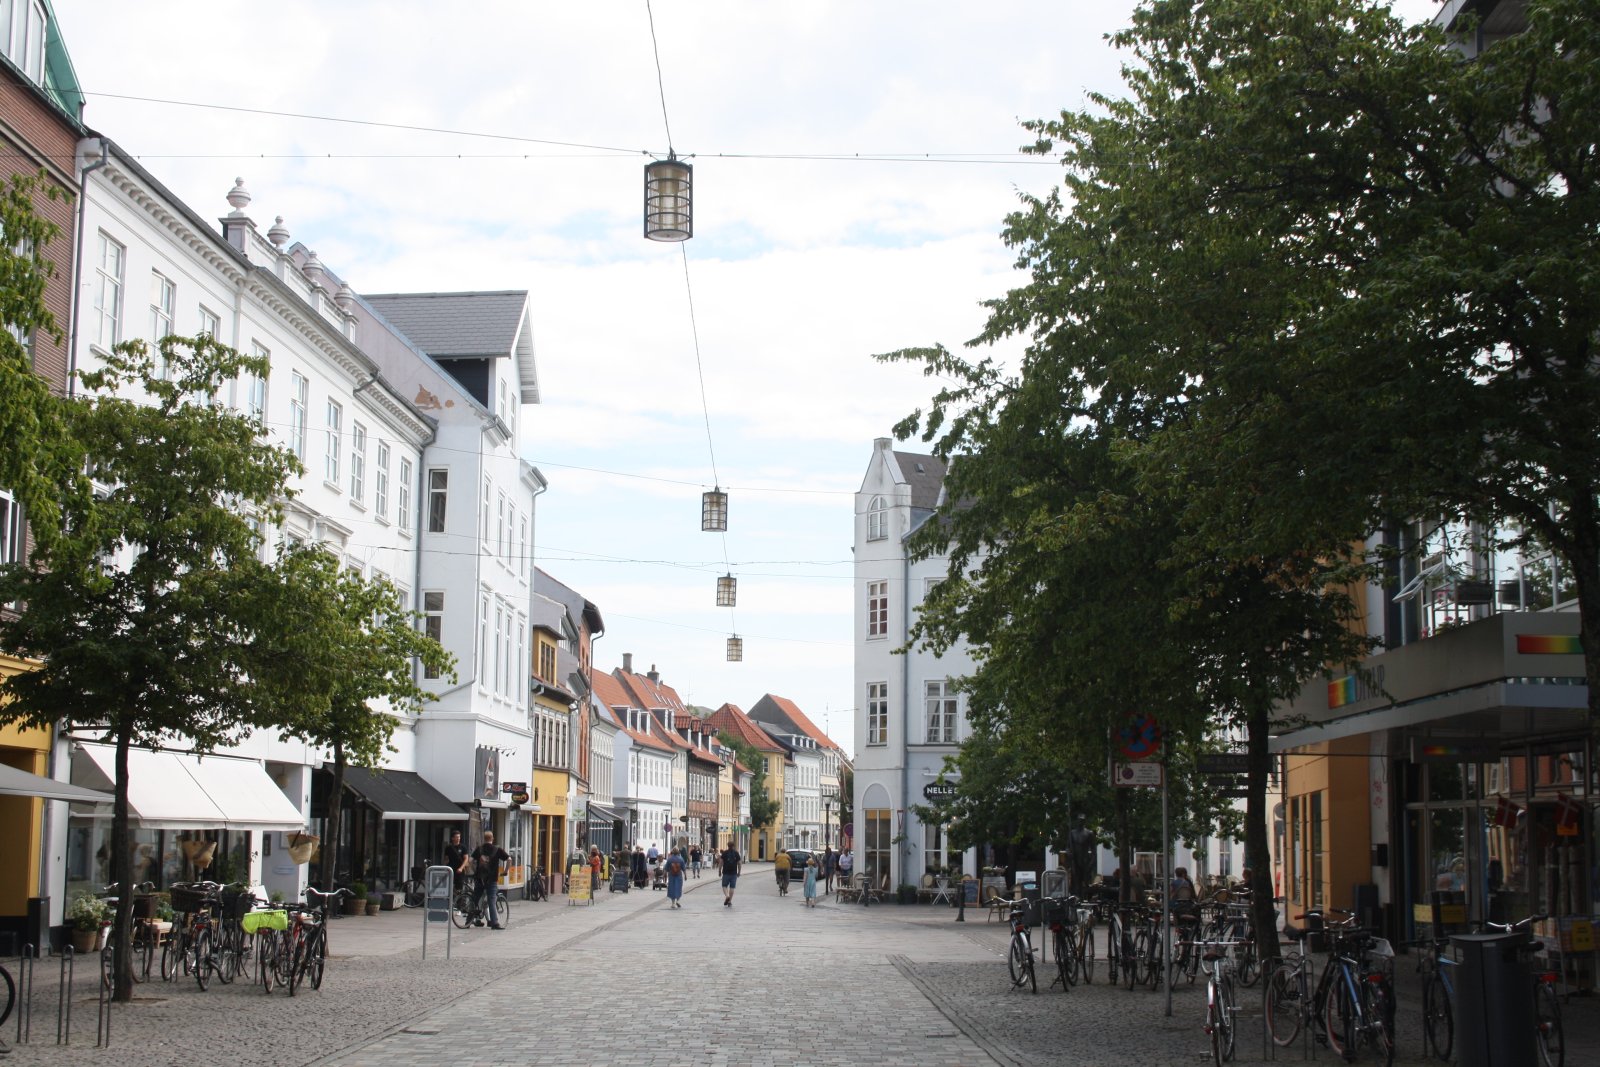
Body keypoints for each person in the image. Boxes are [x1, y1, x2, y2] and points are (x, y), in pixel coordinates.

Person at [472, 831, 510, 929]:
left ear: (484, 838)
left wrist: (474, 871)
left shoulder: (479, 849)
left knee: (475, 900)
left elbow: (470, 860)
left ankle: (468, 921)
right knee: (491, 900)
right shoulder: (497, 849)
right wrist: (505, 871)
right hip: (492, 879)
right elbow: (509, 859)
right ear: (492, 838)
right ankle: (494, 923)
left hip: (480, 878)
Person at [1067, 814, 1096, 895]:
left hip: (1085, 861)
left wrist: (1091, 863)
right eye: (1079, 820)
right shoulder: (1072, 833)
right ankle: (1076, 898)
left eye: (1082, 820)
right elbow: (1067, 847)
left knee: (1085, 884)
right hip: (1075, 861)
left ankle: (1084, 897)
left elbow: (1093, 850)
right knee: (1076, 884)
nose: (1080, 822)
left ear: (1084, 821)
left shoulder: (1089, 833)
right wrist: (1069, 853)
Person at [444, 829, 470, 896]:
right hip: (451, 868)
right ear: (452, 838)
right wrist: (445, 867)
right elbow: (446, 859)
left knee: (459, 886)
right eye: (456, 837)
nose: (458, 838)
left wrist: (461, 868)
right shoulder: (448, 847)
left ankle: (459, 900)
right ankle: (451, 898)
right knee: (449, 885)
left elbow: (466, 858)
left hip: (460, 870)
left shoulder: (463, 847)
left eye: (459, 837)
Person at [720, 839, 742, 907]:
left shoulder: (724, 853)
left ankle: (727, 896)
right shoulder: (736, 853)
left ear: (728, 845)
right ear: (733, 846)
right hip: (734, 873)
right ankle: (729, 901)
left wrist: (719, 871)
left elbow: (721, 862)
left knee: (724, 886)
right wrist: (739, 872)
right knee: (732, 887)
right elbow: (739, 863)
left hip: (726, 872)